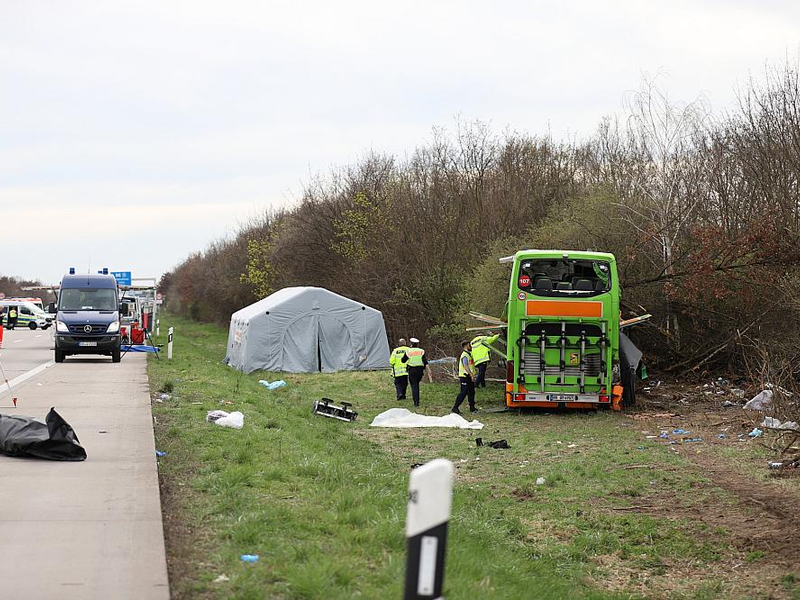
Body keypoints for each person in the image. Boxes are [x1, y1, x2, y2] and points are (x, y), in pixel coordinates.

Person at [452, 340, 477, 414]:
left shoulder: (469, 354)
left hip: (469, 376)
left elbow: (471, 365)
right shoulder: (464, 355)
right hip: (465, 376)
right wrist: (471, 374)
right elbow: (465, 366)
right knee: (463, 392)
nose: (471, 346)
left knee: (471, 392)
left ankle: (472, 408)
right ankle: (455, 407)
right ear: (466, 345)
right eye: (469, 345)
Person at [404, 337, 427, 407]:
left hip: (412, 370)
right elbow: (425, 361)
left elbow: (403, 360)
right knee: (417, 384)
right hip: (420, 370)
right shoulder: (422, 351)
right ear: (417, 344)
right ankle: (417, 400)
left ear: (411, 344)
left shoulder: (408, 351)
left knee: (414, 386)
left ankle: (416, 402)